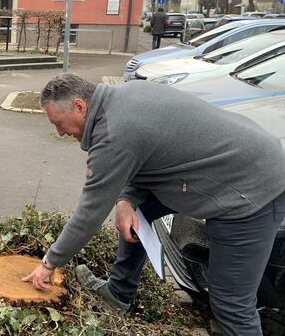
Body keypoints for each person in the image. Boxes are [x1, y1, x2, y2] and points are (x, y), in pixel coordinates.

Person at [22, 73, 285, 336]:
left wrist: (49, 263)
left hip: (249, 189)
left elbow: (88, 214)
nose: (59, 132)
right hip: (233, 164)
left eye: (58, 123)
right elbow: (146, 155)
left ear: (80, 106)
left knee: (231, 303)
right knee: (139, 211)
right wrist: (126, 200)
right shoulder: (125, 96)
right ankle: (118, 293)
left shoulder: (112, 135)